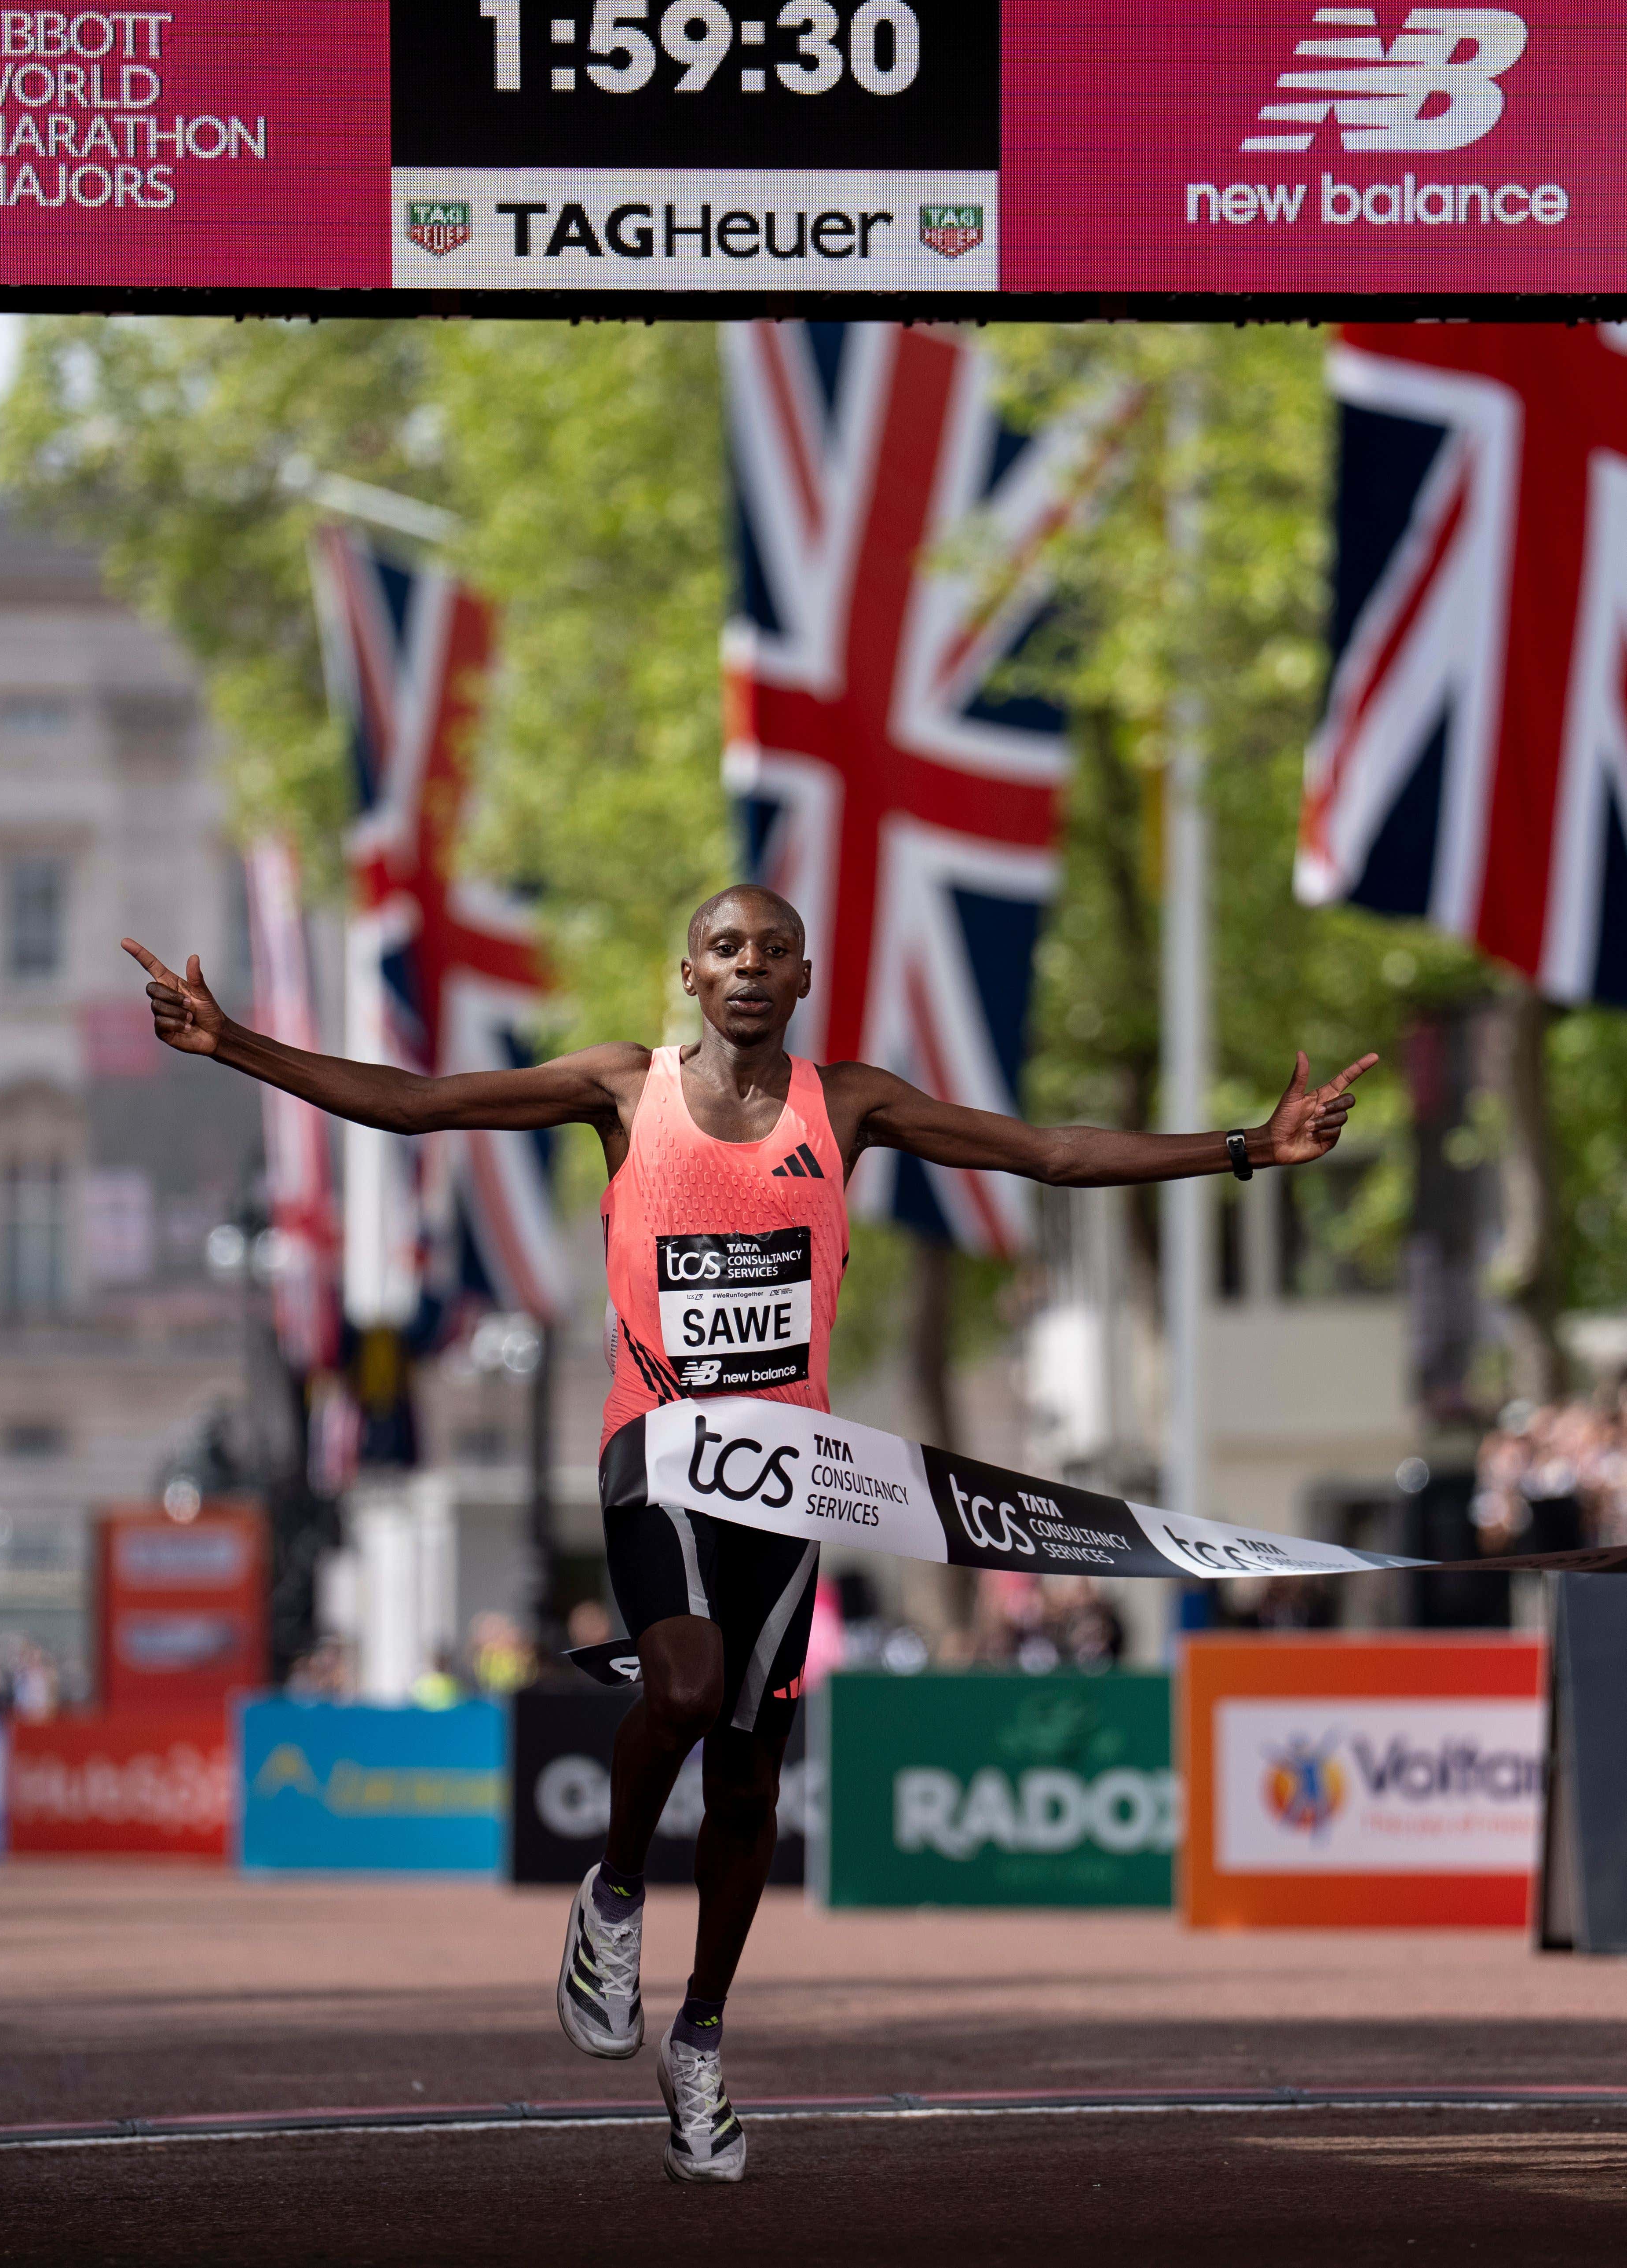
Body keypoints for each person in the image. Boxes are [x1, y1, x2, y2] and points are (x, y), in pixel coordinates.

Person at [123, 887, 1375, 2184]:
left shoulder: (855, 1104)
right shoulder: (623, 1089)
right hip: (656, 1453)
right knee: (686, 1680)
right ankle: (611, 1900)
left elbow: (1046, 1152)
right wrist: (236, 1042)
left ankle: (703, 2038)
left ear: (804, 975)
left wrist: (1243, 1148)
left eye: (773, 950)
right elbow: (421, 1101)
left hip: (791, 1481)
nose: (749, 967)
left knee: (747, 1780)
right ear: (688, 973)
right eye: (726, 949)